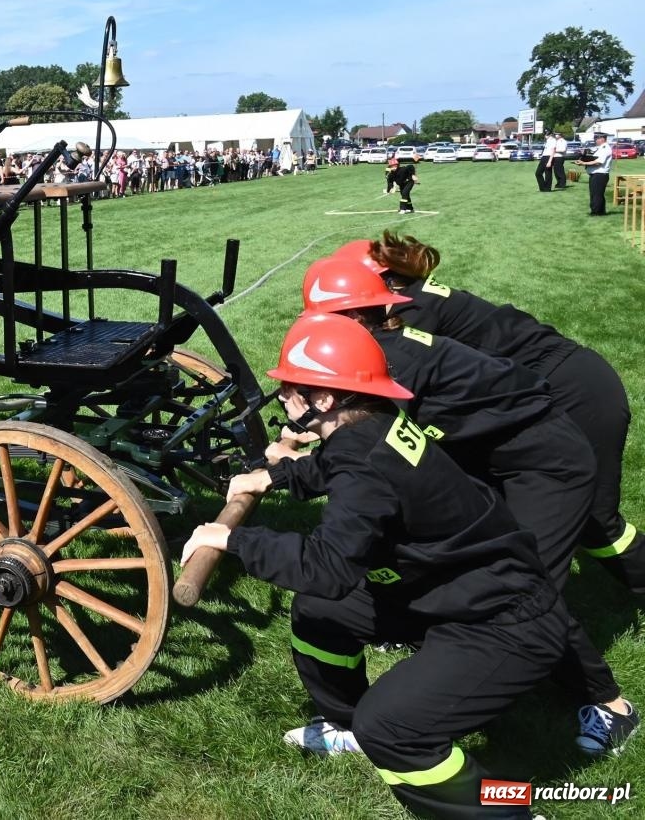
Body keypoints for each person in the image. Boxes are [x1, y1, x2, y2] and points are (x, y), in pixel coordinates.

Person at [186, 313, 569, 819]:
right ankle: (347, 726)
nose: (284, 396)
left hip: (503, 620)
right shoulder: (375, 423)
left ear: (324, 399)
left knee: (392, 729)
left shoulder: (363, 460)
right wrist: (277, 479)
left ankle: (506, 812)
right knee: (319, 612)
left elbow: (327, 568)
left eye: (291, 388)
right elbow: (344, 461)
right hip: (452, 587)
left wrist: (233, 539)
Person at [300, 257, 637, 756]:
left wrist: (303, 453)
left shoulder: (393, 359)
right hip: (491, 460)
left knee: (523, 588)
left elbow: (369, 444)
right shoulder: (378, 348)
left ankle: (610, 706)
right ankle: (419, 638)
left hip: (546, 466)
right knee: (463, 566)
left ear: (351, 318)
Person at [335, 232, 645, 592]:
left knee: (593, 520)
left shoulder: (411, 313)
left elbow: (387, 393)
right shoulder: (413, 300)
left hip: (576, 392)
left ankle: (535, 605)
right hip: (540, 392)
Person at [577, 133, 612, 216]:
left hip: (599, 174)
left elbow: (598, 162)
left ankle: (596, 212)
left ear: (602, 139)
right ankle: (601, 212)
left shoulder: (605, 148)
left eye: (596, 138)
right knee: (597, 194)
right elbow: (593, 157)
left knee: (596, 194)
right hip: (596, 174)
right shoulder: (601, 148)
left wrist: (583, 163)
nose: (595, 140)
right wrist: (583, 156)